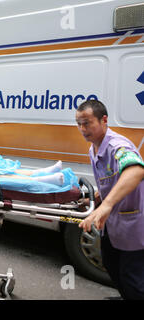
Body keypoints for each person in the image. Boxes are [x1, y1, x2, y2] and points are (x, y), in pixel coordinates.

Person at [76, 99, 144, 300]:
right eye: (79, 124)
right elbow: (112, 178)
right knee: (112, 265)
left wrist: (106, 205)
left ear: (103, 120)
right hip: (113, 226)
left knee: (132, 276)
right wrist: (97, 197)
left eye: (87, 123)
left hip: (134, 226)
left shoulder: (117, 146)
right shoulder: (94, 148)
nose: (82, 129)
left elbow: (135, 170)